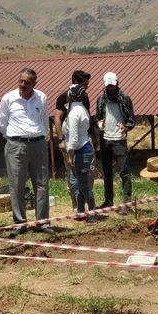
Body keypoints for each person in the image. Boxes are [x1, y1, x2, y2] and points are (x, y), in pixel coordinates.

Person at [0, 68, 54, 238]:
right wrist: (16, 139)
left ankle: (42, 222)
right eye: (20, 81)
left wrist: (41, 137)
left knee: (42, 183)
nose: (22, 85)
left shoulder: (41, 97)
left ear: (34, 84)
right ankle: (20, 222)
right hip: (16, 145)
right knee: (16, 185)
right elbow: (2, 124)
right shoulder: (8, 98)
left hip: (38, 144)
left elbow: (44, 120)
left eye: (27, 82)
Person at [51, 71, 92, 210]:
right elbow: (57, 118)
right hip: (69, 142)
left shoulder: (84, 98)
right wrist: (61, 139)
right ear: (76, 83)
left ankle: (85, 204)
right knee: (72, 174)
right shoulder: (64, 97)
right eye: (84, 84)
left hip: (83, 142)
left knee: (86, 174)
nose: (86, 87)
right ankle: (76, 204)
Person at [95, 72, 135, 212]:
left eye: (112, 85)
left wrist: (126, 127)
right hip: (105, 139)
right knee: (107, 172)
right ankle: (108, 201)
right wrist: (99, 124)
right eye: (108, 85)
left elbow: (131, 120)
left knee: (124, 172)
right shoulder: (100, 99)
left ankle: (126, 204)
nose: (110, 88)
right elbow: (97, 118)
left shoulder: (125, 99)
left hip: (119, 140)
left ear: (117, 83)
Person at [63, 84, 96, 219]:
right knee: (77, 183)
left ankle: (93, 213)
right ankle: (81, 211)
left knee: (83, 185)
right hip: (84, 149)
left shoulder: (74, 113)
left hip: (80, 151)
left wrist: (70, 155)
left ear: (71, 95)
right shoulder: (82, 109)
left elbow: (74, 138)